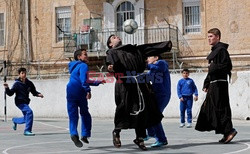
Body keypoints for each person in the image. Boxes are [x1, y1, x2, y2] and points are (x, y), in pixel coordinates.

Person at [106, 34, 172, 150]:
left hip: (138, 83)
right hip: (124, 84)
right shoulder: (111, 52)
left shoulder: (133, 49)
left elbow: (149, 48)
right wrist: (111, 68)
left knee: (142, 110)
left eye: (117, 36)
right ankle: (117, 132)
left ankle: (140, 138)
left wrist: (165, 45)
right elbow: (112, 65)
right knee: (123, 108)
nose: (117, 37)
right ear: (111, 44)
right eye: (114, 37)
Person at [195, 28, 237, 144]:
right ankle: (225, 132)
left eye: (211, 36)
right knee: (213, 108)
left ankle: (230, 130)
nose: (209, 38)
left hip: (220, 83)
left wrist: (213, 69)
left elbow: (227, 66)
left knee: (221, 107)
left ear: (218, 37)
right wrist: (207, 83)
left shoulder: (222, 50)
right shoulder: (215, 51)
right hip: (214, 83)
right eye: (208, 36)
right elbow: (211, 71)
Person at [66, 49, 105, 148]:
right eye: (85, 55)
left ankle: (73, 133)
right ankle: (85, 134)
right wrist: (88, 91)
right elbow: (84, 80)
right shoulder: (83, 65)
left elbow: (84, 80)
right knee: (85, 114)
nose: (87, 56)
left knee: (73, 115)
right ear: (79, 57)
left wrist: (97, 82)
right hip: (79, 91)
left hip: (70, 90)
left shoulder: (74, 66)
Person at [3, 67, 44, 136]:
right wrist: (7, 88)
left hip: (26, 102)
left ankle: (15, 120)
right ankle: (27, 130)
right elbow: (10, 93)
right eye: (22, 73)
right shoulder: (17, 84)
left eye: (25, 73)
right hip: (19, 102)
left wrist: (38, 94)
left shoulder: (29, 83)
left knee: (26, 118)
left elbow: (33, 92)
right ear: (19, 74)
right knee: (29, 112)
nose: (24, 74)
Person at [144, 55, 171, 147]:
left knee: (155, 117)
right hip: (156, 95)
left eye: (149, 57)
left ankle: (161, 139)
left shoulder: (161, 63)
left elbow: (159, 68)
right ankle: (151, 133)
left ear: (156, 57)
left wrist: (146, 65)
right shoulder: (152, 70)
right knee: (148, 114)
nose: (147, 59)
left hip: (163, 94)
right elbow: (145, 77)